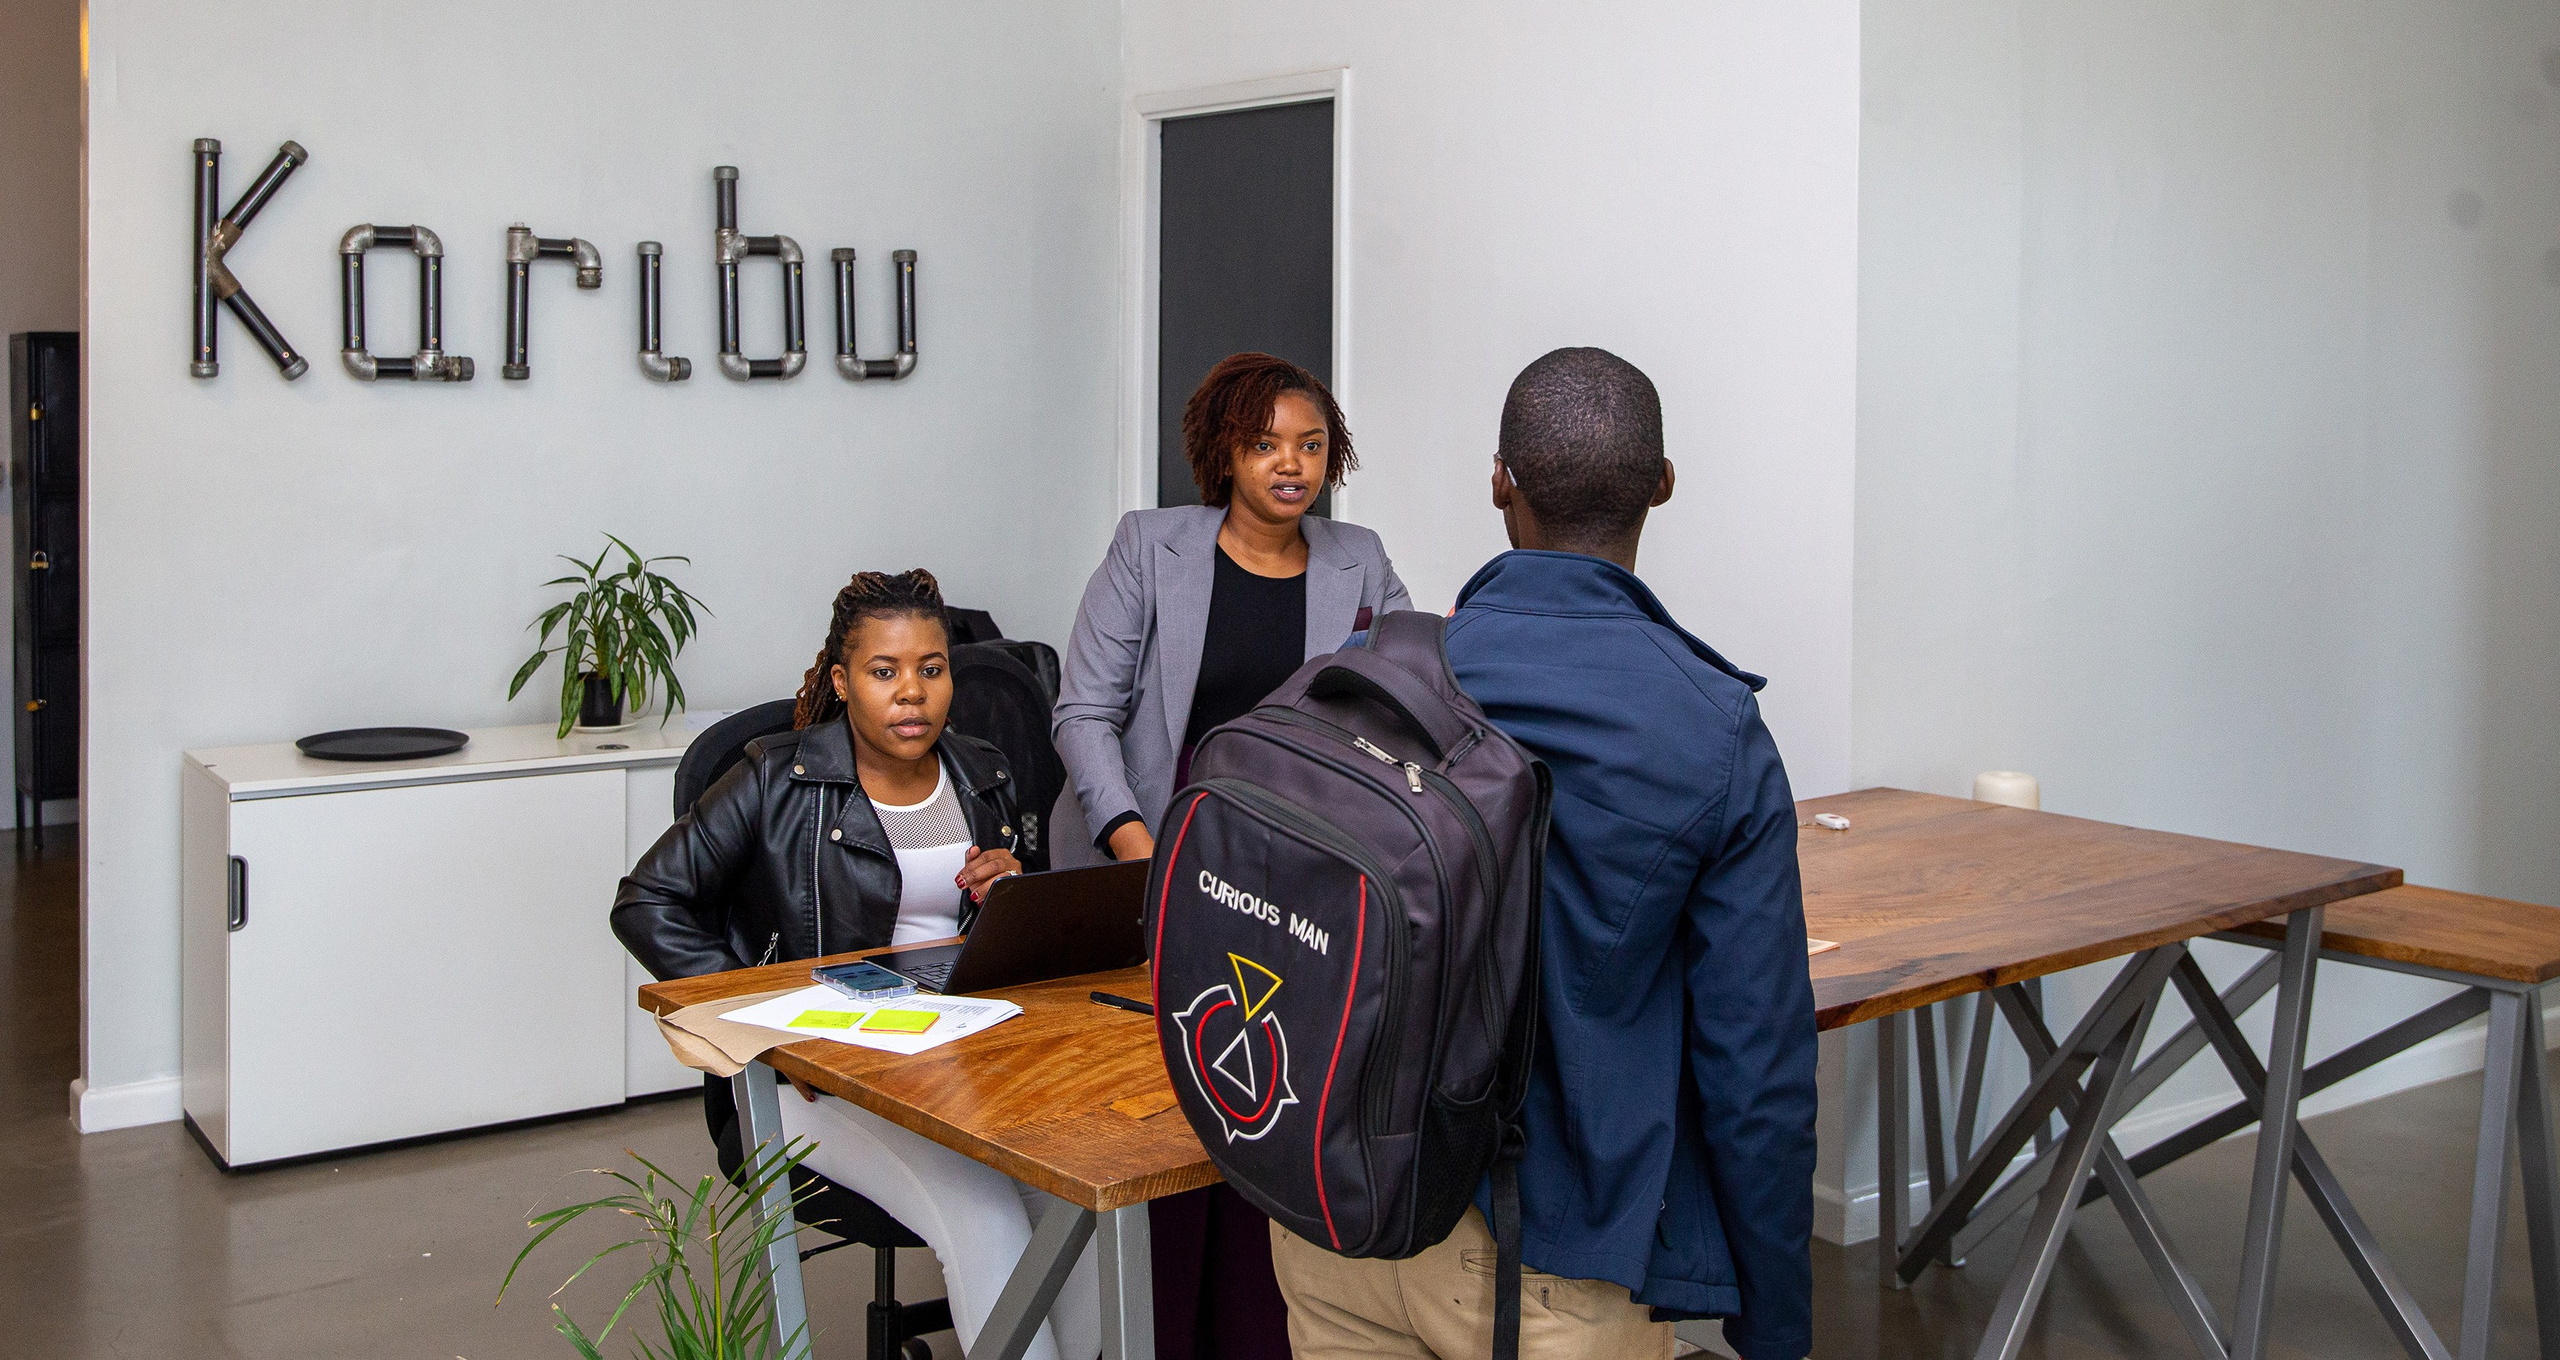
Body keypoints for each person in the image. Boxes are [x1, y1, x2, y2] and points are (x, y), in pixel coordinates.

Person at [1267, 348, 1819, 1360]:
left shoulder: (1370, 676)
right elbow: (1756, 1068)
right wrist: (1775, 1321)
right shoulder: (1710, 725)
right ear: (1661, 484)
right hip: (1547, 1268)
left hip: (1335, 1227)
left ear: (1497, 481)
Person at [612, 569, 1099, 1360]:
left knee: (1080, 1202)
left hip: (958, 1061)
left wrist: (1007, 893)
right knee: (984, 1218)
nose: (912, 693)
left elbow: (981, 946)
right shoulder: (777, 777)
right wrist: (768, 1023)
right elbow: (646, 901)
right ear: (842, 682)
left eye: (931, 670)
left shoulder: (984, 773)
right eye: (885, 672)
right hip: (813, 1079)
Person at [1054, 350, 1411, 1360]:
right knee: (1158, 1112)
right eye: (1265, 445)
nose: (1290, 465)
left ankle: (1253, 1328)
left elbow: (1408, 690)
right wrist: (1142, 847)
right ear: (1224, 452)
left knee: (1266, 1096)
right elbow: (1084, 712)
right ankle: (1145, 1325)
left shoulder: (1358, 557)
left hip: (1284, 874)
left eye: (1309, 445)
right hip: (1147, 853)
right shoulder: (1151, 545)